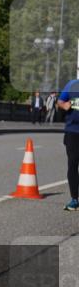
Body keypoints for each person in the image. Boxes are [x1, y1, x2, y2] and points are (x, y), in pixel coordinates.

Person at [57, 78, 79, 211]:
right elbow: (60, 101)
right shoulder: (71, 85)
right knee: (72, 164)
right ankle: (74, 199)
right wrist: (64, 105)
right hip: (72, 131)